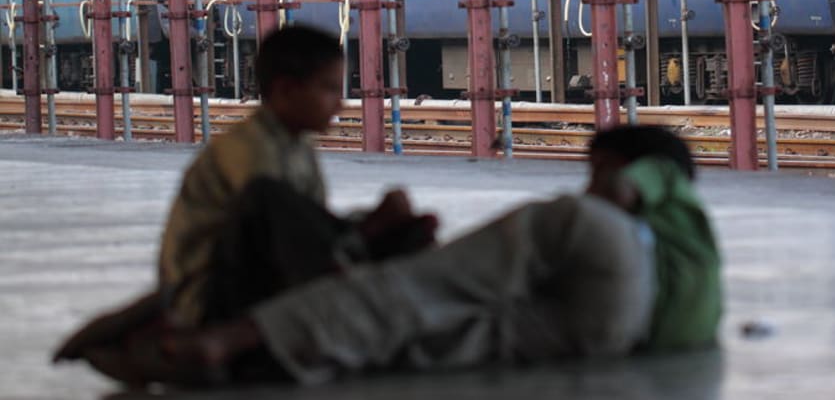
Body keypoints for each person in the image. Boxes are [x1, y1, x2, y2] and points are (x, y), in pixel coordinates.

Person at [64, 125, 721, 387]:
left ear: (612, 159)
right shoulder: (693, 246)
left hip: (612, 266)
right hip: (624, 335)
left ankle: (233, 336)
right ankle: (263, 355)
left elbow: (630, 184)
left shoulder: (660, 178)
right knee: (443, 332)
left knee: (429, 284)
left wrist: (610, 187)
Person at [53, 27, 438, 374]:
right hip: (212, 298)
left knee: (406, 232)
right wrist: (366, 229)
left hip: (258, 273)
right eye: (327, 89)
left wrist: (372, 227)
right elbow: (278, 228)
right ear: (286, 90)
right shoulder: (249, 149)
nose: (339, 104)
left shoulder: (296, 146)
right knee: (272, 200)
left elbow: (308, 229)